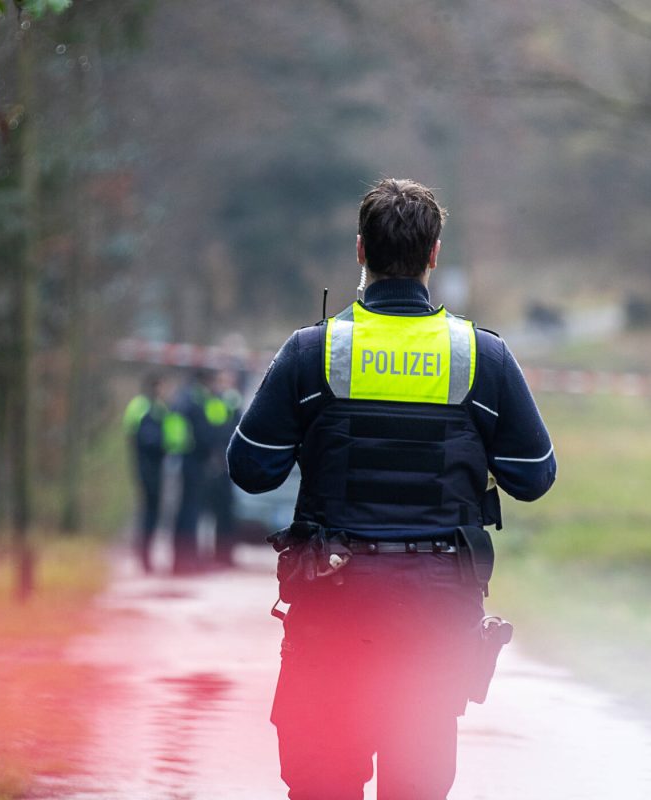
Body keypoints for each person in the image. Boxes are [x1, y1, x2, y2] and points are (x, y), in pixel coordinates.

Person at [227, 178, 556, 799]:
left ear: (360, 251)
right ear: (434, 255)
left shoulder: (311, 353)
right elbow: (533, 475)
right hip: (434, 613)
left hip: (330, 604)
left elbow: (251, 468)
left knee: (322, 784)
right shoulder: (481, 359)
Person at [172, 368, 242, 572]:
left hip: (198, 461)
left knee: (195, 511)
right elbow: (212, 432)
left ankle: (190, 558)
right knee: (192, 511)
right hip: (197, 461)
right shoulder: (198, 402)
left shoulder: (194, 400)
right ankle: (187, 560)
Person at [123, 372, 188, 573]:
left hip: (155, 466)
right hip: (147, 465)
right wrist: (165, 444)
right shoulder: (145, 408)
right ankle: (144, 556)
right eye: (163, 387)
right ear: (155, 387)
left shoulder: (157, 408)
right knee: (149, 512)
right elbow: (146, 439)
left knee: (152, 511)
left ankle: (146, 555)